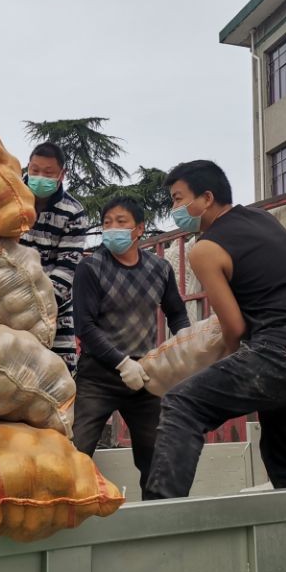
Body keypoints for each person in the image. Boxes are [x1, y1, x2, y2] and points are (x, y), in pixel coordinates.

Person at [142, 161, 286, 499]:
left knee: (183, 404)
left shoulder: (205, 249)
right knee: (279, 451)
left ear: (206, 198)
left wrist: (209, 360)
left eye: (178, 199)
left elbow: (234, 327)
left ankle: (159, 521)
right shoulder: (262, 220)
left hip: (285, 351)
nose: (174, 209)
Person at [72, 196, 190, 494]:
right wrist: (121, 362)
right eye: (107, 222)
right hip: (99, 374)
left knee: (157, 454)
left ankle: (159, 518)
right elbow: (85, 327)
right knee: (77, 448)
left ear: (139, 228)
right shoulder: (91, 268)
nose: (112, 228)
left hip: (144, 374)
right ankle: (68, 515)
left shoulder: (160, 269)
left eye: (121, 222)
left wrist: (186, 344)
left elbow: (176, 312)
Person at [20, 142, 90, 372]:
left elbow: (66, 269)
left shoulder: (73, 213)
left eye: (48, 173)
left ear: (62, 174)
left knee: (61, 370)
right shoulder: (10, 201)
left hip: (54, 306)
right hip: (5, 298)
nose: (40, 177)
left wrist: (39, 307)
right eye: (34, 170)